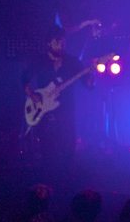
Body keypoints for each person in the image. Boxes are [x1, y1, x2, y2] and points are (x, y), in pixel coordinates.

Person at [21, 22, 97, 185]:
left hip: (66, 112)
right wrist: (32, 95)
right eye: (57, 41)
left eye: (63, 41)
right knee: (46, 150)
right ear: (49, 42)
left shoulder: (73, 62)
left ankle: (66, 183)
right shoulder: (39, 61)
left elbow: (88, 85)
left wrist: (92, 75)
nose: (61, 44)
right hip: (43, 112)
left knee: (68, 149)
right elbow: (24, 80)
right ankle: (46, 184)